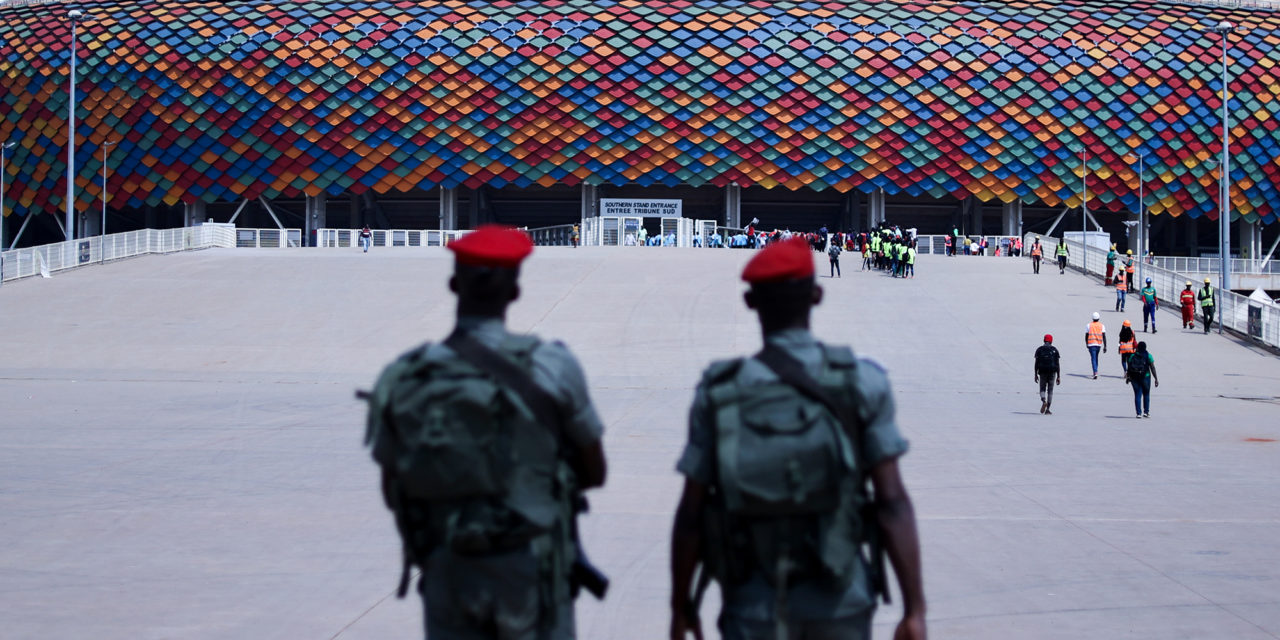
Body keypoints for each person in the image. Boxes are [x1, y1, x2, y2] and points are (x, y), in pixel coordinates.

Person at [669, 238, 926, 640]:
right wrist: (915, 611)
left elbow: (691, 513)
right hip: (841, 601)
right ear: (817, 295)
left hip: (752, 605)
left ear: (751, 302)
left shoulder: (720, 392)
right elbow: (892, 502)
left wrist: (681, 606)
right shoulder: (861, 383)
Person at [363, 225, 609, 640]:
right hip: (533, 565)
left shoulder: (408, 376)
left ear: (453, 284)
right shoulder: (554, 367)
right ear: (515, 291)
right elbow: (594, 471)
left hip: (449, 566)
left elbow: (394, 486)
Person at [1124, 341, 1159, 418]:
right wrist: (1156, 378)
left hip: (1134, 377)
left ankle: (1138, 413)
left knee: (1137, 394)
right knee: (1146, 394)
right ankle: (1146, 412)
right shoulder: (1148, 356)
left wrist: (1128, 377)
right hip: (1145, 377)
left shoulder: (1132, 356)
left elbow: (1129, 367)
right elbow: (1152, 367)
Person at [1034, 334, 1061, 415]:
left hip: (1042, 371)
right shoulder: (1054, 350)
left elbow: (1036, 363)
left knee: (1042, 388)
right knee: (1050, 390)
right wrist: (1059, 376)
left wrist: (1035, 374)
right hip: (1052, 372)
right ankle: (1048, 409)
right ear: (1051, 341)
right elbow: (1057, 364)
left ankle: (1043, 400)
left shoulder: (1039, 349)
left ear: (1044, 340)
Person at [1085, 311, 1106, 379]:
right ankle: (1096, 370)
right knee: (1096, 357)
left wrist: (1086, 343)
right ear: (1099, 318)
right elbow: (1104, 336)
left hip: (1091, 344)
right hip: (1098, 344)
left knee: (1093, 358)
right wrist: (1105, 346)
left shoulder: (1089, 325)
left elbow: (1086, 335)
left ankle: (1095, 372)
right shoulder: (1102, 325)